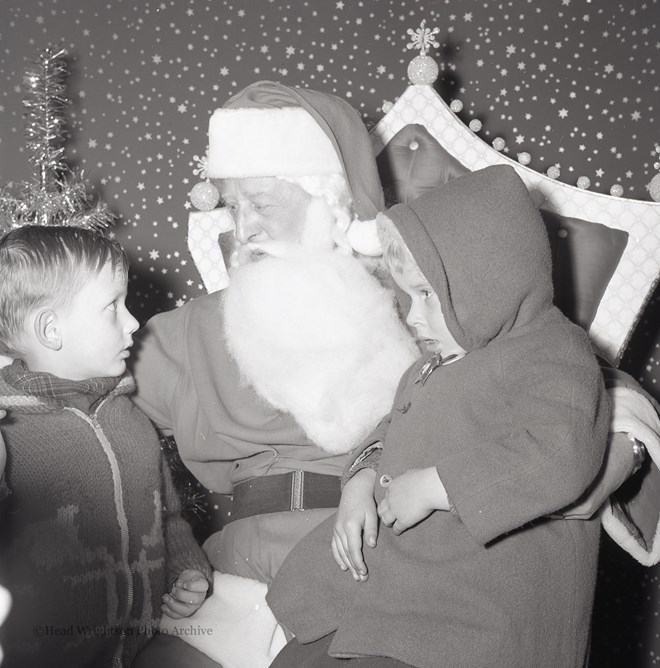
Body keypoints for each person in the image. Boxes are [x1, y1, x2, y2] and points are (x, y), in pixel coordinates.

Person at [130, 81, 660, 665]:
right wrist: (176, 550)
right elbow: (87, 411)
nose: (243, 229)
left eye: (261, 203)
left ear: (327, 200)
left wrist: (624, 451)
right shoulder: (190, 330)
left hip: (391, 563)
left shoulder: (423, 299)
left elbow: (582, 384)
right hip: (241, 572)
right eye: (232, 207)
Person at [266, 165, 610, 667]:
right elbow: (386, 430)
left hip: (475, 610)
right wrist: (359, 482)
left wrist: (435, 486)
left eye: (427, 296)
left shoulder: (549, 349)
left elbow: (563, 450)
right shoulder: (430, 365)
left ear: (490, 280)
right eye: (410, 297)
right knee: (298, 648)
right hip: (392, 587)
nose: (411, 315)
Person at [0, 225, 212, 668]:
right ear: (51, 328)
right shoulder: (9, 432)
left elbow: (168, 517)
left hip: (140, 651)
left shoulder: (131, 420)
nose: (133, 321)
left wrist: (187, 569)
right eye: (112, 306)